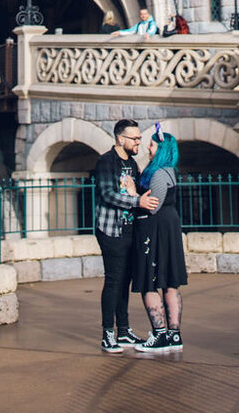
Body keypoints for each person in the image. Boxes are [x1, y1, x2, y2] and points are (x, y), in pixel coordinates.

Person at [92, 118, 157, 354]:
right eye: (135, 138)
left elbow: (136, 190)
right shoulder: (106, 162)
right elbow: (108, 194)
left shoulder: (132, 163)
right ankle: (108, 333)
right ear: (121, 139)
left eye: (140, 138)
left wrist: (138, 194)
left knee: (125, 281)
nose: (139, 141)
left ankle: (124, 330)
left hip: (130, 230)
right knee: (114, 280)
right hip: (111, 230)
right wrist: (136, 200)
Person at [132, 125, 188, 352]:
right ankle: (174, 336)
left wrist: (132, 194)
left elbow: (151, 205)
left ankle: (160, 335)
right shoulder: (169, 171)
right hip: (168, 227)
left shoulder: (158, 173)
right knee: (170, 283)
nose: (148, 147)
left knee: (150, 282)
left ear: (162, 149)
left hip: (155, 229)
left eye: (153, 144)